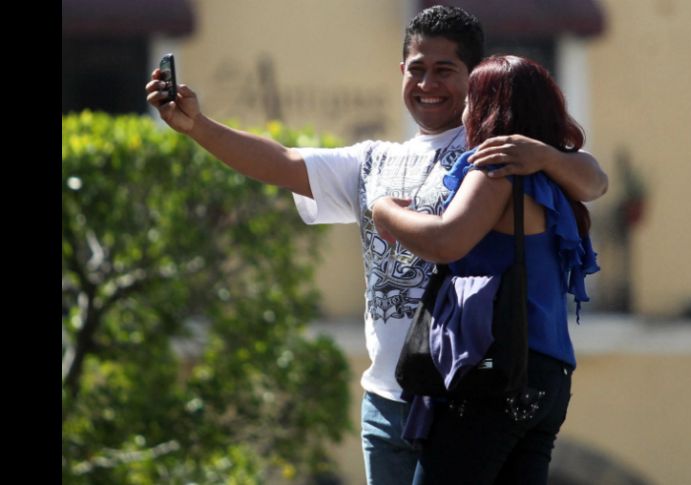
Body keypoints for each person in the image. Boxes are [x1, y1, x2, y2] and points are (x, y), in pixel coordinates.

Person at [146, 6, 608, 485]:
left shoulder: (493, 147)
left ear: (474, 79)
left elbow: (593, 179)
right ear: (401, 71)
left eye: (444, 70)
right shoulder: (374, 161)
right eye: (417, 69)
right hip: (388, 397)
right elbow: (282, 161)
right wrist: (199, 126)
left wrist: (545, 155)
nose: (427, 84)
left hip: (465, 389)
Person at [371, 54, 600, 485]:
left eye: (470, 101)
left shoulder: (497, 169)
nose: (463, 113)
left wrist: (384, 210)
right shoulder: (555, 175)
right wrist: (547, 154)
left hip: (497, 368)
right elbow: (597, 180)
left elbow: (445, 241)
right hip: (549, 376)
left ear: (487, 108)